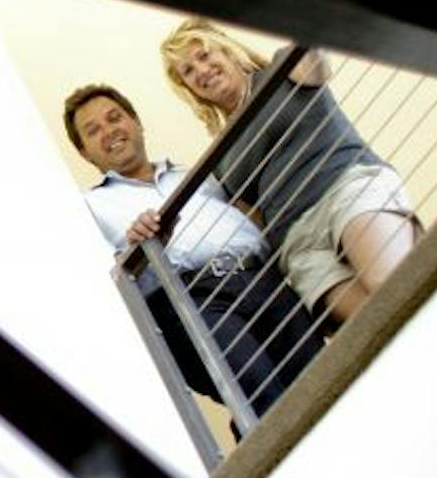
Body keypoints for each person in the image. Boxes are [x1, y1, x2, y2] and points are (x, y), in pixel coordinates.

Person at [65, 83, 326, 418]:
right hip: (192, 301)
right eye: (93, 131)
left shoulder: (198, 174)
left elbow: (254, 214)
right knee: (261, 394)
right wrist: (138, 251)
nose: (109, 131)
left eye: (115, 118)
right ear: (85, 152)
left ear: (136, 122)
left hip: (265, 282)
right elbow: (105, 286)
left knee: (323, 378)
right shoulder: (89, 208)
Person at [159, 18, 419, 322]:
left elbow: (316, 61)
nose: (201, 70)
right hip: (299, 246)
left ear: (229, 52)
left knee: (392, 286)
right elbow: (255, 219)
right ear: (188, 89)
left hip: (345, 190)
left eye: (204, 55)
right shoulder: (220, 156)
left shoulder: (283, 69)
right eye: (188, 71)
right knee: (374, 324)